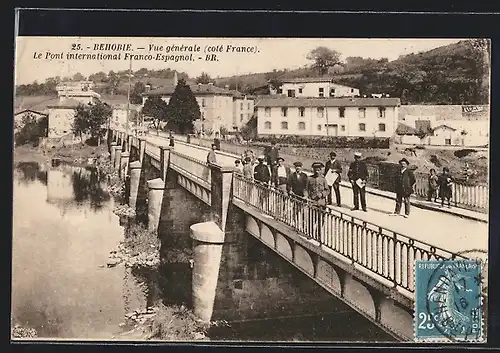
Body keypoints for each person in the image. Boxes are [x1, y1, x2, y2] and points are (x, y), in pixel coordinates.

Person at [306, 162, 330, 240]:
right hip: (312, 202)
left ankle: (318, 235)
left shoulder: (323, 180)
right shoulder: (309, 179)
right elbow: (305, 189)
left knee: (320, 220)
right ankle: (310, 234)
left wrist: (322, 194)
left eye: (318, 170)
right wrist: (306, 196)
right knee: (311, 219)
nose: (317, 171)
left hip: (321, 203)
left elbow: (327, 190)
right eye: (315, 170)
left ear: (320, 170)